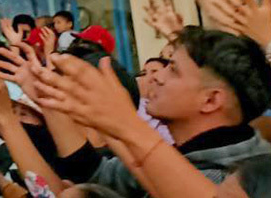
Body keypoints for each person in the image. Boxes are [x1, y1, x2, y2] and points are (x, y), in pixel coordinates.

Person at [55, 27, 271, 195]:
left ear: (210, 100)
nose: (157, 77)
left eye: (174, 70)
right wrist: (49, 99)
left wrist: (124, 123)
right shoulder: (183, 153)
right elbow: (96, 173)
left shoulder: (230, 182)